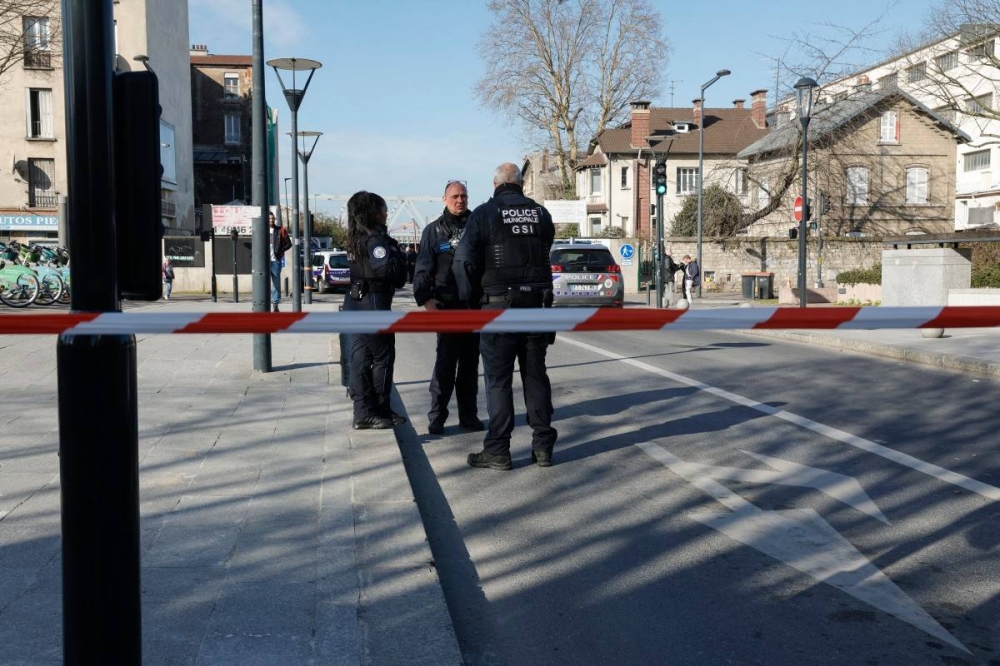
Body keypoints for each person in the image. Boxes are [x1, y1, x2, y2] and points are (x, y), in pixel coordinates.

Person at [454, 163, 557, 471]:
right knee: (536, 376)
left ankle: (498, 449)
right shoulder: (540, 214)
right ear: (521, 184)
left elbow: (463, 263)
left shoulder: (484, 214)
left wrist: (470, 302)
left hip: (497, 307)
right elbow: (546, 248)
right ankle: (543, 447)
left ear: (495, 184)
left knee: (498, 380)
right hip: (537, 307)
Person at [413, 180, 483, 435]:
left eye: (464, 196)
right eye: (455, 196)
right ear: (444, 199)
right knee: (445, 365)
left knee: (469, 366)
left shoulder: (478, 226)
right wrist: (426, 301)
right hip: (445, 307)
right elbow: (422, 269)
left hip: (473, 307)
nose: (460, 200)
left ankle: (469, 415)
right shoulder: (433, 230)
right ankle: (437, 417)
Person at [343, 191, 408, 430]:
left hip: (355, 301)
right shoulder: (375, 238)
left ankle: (362, 412)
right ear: (374, 212)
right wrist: (398, 256)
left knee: (360, 358)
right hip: (373, 302)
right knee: (383, 356)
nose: (387, 213)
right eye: (383, 209)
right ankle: (380, 409)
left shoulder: (355, 236)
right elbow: (385, 270)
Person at [269, 211, 291, 312]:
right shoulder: (263, 230)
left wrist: (280, 250)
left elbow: (289, 244)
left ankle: (275, 304)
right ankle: (262, 301)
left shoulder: (280, 230)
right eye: (269, 218)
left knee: (276, 283)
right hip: (264, 261)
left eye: (272, 218)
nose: (271, 220)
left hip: (275, 261)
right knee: (262, 283)